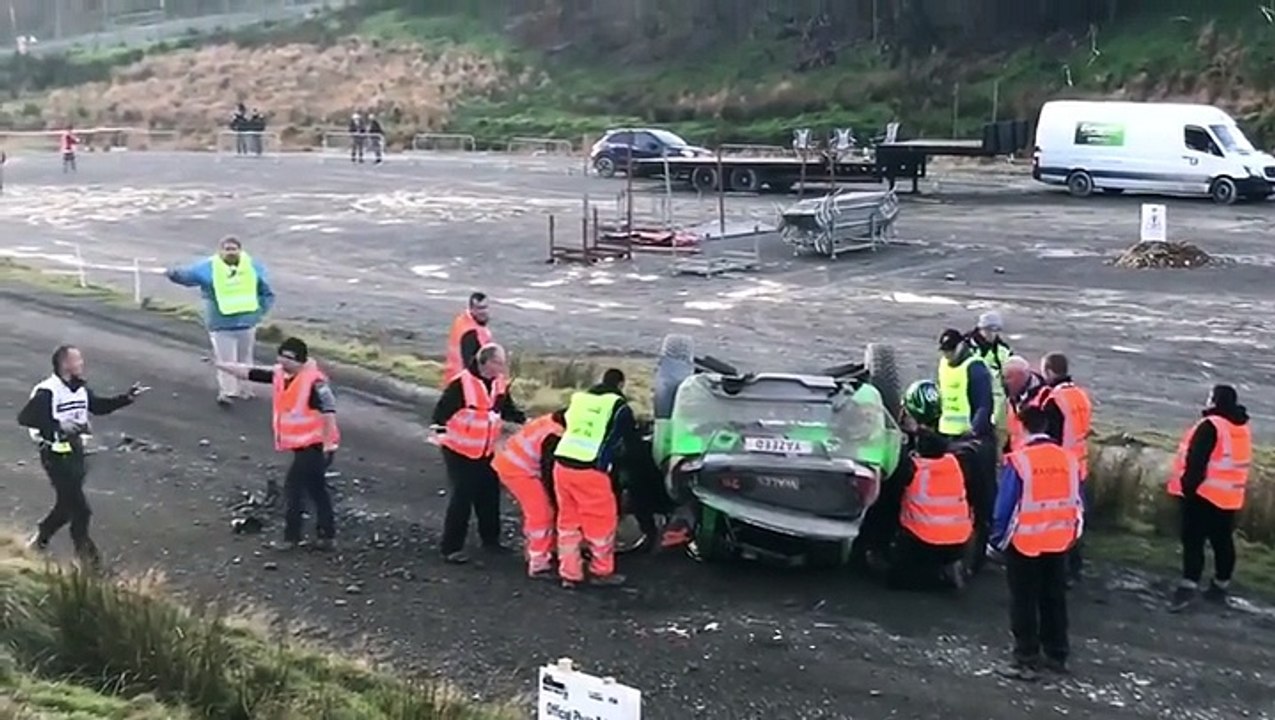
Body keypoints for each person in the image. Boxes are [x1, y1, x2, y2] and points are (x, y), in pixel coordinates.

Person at [17, 345, 148, 567]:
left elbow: (97, 407)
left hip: (76, 453)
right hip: (55, 456)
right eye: (77, 360)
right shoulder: (48, 391)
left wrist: (126, 398)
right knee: (81, 511)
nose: (81, 364)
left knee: (67, 505)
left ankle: (40, 539)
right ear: (65, 364)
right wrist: (60, 426)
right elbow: (25, 418)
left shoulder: (80, 389)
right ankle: (89, 563)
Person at [215, 337, 341, 551]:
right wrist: (221, 365)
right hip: (304, 445)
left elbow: (329, 411)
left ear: (301, 360)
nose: (283, 361)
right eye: (281, 355)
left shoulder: (315, 383)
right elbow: (251, 373)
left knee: (294, 489)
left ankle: (291, 538)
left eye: (289, 357)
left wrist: (329, 444)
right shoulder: (282, 376)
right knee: (317, 490)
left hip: (315, 446)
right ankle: (326, 536)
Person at [991, 405, 1084, 679]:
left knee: (1024, 600)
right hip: (1058, 540)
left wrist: (997, 542)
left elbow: (1005, 506)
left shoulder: (1019, 462)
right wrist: (1072, 536)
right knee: (1054, 598)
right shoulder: (1069, 460)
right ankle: (1057, 654)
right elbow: (1079, 503)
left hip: (1024, 543)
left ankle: (1025, 658)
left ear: (1022, 427)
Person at [432, 343, 526, 564]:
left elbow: (506, 408)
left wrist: (523, 421)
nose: (502, 368)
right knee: (462, 497)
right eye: (499, 363)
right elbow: (440, 414)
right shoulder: (461, 384)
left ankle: (491, 541)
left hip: (486, 450)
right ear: (486, 362)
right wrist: (446, 439)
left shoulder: (499, 383)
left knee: (489, 494)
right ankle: (451, 548)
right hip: (459, 450)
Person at [553, 368, 641, 588]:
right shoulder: (619, 407)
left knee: (568, 523)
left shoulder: (580, 400)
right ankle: (601, 571)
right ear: (620, 385)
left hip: (562, 466)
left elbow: (560, 418)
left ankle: (569, 574)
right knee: (602, 523)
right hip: (590, 469)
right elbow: (631, 440)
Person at [1167, 384, 1251, 612]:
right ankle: (1220, 585)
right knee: (1222, 541)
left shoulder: (1210, 426)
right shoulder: (1240, 427)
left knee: (1193, 541)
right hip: (1230, 495)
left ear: (1214, 400)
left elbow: (1196, 462)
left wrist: (1187, 488)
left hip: (1204, 494)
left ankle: (1188, 586)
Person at [166, 236, 275, 405]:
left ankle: (246, 390)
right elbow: (189, 277)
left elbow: (265, 292)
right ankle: (229, 392)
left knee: (245, 359)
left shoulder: (253, 268)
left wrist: (259, 312)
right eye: (227, 249)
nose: (230, 252)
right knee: (226, 360)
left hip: (246, 323)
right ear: (220, 251)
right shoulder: (209, 268)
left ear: (240, 250)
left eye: (233, 249)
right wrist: (173, 274)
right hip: (221, 324)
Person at [935, 328, 997, 550]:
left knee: (979, 491)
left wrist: (975, 430)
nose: (947, 356)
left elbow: (983, 403)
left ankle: (982, 537)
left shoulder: (975, 368)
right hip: (947, 434)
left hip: (969, 438)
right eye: (944, 352)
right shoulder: (944, 364)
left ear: (961, 346)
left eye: (950, 351)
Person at [1037, 352, 1094, 584]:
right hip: (1080, 464)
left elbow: (1051, 437)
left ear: (1049, 371)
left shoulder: (1054, 400)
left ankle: (1062, 569)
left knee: (1056, 520)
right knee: (1074, 518)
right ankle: (1075, 567)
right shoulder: (1081, 395)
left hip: (1060, 470)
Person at [491, 408, 566, 578]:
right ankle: (538, 563)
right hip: (518, 470)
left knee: (543, 510)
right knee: (541, 514)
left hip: (511, 462)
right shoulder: (554, 435)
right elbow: (549, 473)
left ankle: (546, 550)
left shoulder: (550, 420)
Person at [967, 311, 1013, 433]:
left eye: (996, 331)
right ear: (980, 329)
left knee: (999, 434)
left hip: (997, 402)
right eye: (989, 330)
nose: (992, 334)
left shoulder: (1003, 350)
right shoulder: (966, 347)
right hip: (971, 398)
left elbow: (1010, 373)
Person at [442, 292, 494, 388]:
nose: (483, 312)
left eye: (485, 307)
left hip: (453, 378)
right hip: (464, 385)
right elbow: (473, 365)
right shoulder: (471, 333)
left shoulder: (462, 321)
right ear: (471, 309)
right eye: (479, 308)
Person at [1002, 355, 1045, 453]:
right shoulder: (1013, 397)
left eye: (1007, 378)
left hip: (1035, 458)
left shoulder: (1044, 398)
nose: (1004, 382)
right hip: (1017, 458)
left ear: (1020, 376)